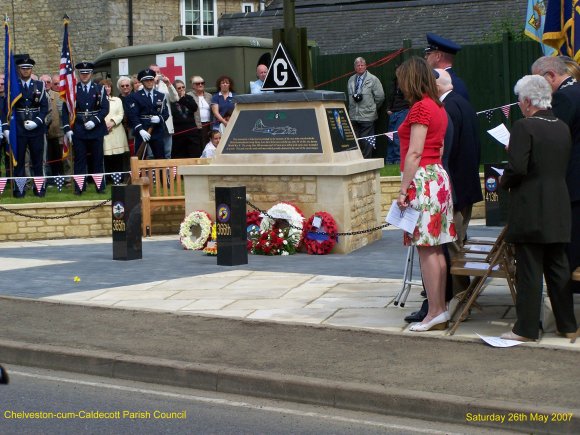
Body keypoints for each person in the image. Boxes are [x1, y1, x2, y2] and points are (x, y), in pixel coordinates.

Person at [499, 75, 577, 342]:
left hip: (532, 205)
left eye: (521, 101)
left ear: (529, 101)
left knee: (530, 270)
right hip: (559, 203)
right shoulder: (562, 126)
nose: (520, 106)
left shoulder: (524, 126)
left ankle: (526, 329)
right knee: (558, 267)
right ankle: (567, 325)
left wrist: (503, 179)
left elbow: (518, 167)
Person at [395, 56, 456, 332]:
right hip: (438, 177)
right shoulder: (438, 107)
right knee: (437, 248)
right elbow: (439, 148)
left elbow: (415, 152)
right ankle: (440, 309)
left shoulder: (420, 108)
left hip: (423, 178)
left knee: (426, 250)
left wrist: (403, 188)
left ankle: (433, 312)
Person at [531, 56, 580, 293]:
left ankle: (563, 312)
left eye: (538, 80)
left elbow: (554, 139)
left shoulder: (563, 97)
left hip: (572, 183)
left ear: (550, 76)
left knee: (566, 254)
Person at [435, 69, 482, 294]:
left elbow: (447, 152)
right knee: (458, 239)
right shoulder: (463, 103)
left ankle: (460, 296)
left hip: (455, 187)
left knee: (453, 243)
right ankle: (459, 294)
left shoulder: (448, 108)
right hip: (467, 183)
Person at [2, 57, 48, 197]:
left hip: (36, 128)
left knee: (37, 161)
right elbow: (6, 108)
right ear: (18, 70)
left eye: (28, 68)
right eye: (23, 68)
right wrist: (6, 128)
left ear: (31, 69)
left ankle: (39, 189)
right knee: (19, 162)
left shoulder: (39, 85)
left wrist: (37, 121)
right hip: (19, 129)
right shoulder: (13, 86)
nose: (26, 71)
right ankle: (20, 189)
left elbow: (44, 107)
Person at [62, 61, 109, 194]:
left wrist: (95, 121)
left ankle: (100, 187)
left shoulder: (99, 89)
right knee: (80, 160)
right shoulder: (73, 91)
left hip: (96, 128)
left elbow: (105, 108)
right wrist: (67, 129)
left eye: (87, 73)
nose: (84, 75)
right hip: (79, 129)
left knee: (98, 160)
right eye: (82, 73)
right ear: (78, 74)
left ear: (91, 74)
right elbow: (66, 111)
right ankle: (79, 188)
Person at [126, 68, 170, 159]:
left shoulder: (160, 95)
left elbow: (166, 113)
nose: (150, 82)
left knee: (160, 158)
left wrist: (160, 118)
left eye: (151, 80)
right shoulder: (134, 96)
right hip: (142, 130)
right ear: (142, 81)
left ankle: (160, 174)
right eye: (146, 80)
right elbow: (133, 115)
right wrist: (140, 129)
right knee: (140, 158)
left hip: (156, 130)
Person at [347, 57, 384, 158]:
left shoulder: (373, 79)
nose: (360, 67)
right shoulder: (350, 80)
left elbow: (380, 97)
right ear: (355, 67)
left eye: (362, 65)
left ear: (365, 66)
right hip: (353, 115)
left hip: (368, 116)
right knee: (355, 140)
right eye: (358, 65)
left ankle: (367, 160)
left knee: (367, 140)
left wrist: (372, 108)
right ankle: (357, 160)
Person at [424, 33, 469, 101]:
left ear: (438, 56)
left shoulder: (450, 84)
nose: (425, 57)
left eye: (428, 54)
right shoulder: (455, 82)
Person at [100, 79, 129, 175]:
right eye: (104, 86)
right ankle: (107, 178)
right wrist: (104, 124)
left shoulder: (117, 100)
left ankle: (118, 177)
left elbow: (121, 114)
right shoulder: (97, 100)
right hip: (103, 130)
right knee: (106, 155)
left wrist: (112, 122)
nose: (107, 88)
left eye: (108, 86)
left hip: (117, 130)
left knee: (118, 155)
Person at [149, 64, 178, 158]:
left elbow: (175, 99)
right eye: (154, 73)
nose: (157, 74)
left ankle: (167, 173)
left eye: (158, 72)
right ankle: (152, 173)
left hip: (165, 123)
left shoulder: (165, 86)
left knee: (167, 152)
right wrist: (153, 84)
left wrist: (169, 84)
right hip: (151, 124)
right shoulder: (143, 87)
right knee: (151, 154)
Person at [171, 79, 200, 158]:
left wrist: (183, 98)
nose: (182, 89)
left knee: (194, 154)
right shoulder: (172, 100)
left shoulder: (189, 97)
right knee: (180, 155)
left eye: (183, 87)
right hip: (179, 133)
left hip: (191, 131)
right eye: (179, 88)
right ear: (175, 90)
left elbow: (194, 108)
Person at [385, 69, 408, 165]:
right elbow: (391, 97)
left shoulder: (407, 83)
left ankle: (398, 159)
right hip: (393, 112)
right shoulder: (394, 83)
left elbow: (408, 98)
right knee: (390, 136)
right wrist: (388, 109)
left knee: (397, 136)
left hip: (403, 111)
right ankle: (389, 160)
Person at [45, 74, 65, 178]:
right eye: (44, 82)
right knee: (48, 159)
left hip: (58, 133)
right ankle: (50, 178)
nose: (46, 84)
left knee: (60, 158)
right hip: (45, 134)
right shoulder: (39, 96)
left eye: (48, 82)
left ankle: (62, 178)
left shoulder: (58, 96)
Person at [188, 75, 213, 146]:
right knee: (199, 144)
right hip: (196, 125)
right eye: (197, 83)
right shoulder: (189, 96)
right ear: (193, 85)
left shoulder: (209, 96)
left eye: (202, 83)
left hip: (208, 124)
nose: (200, 85)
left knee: (208, 143)